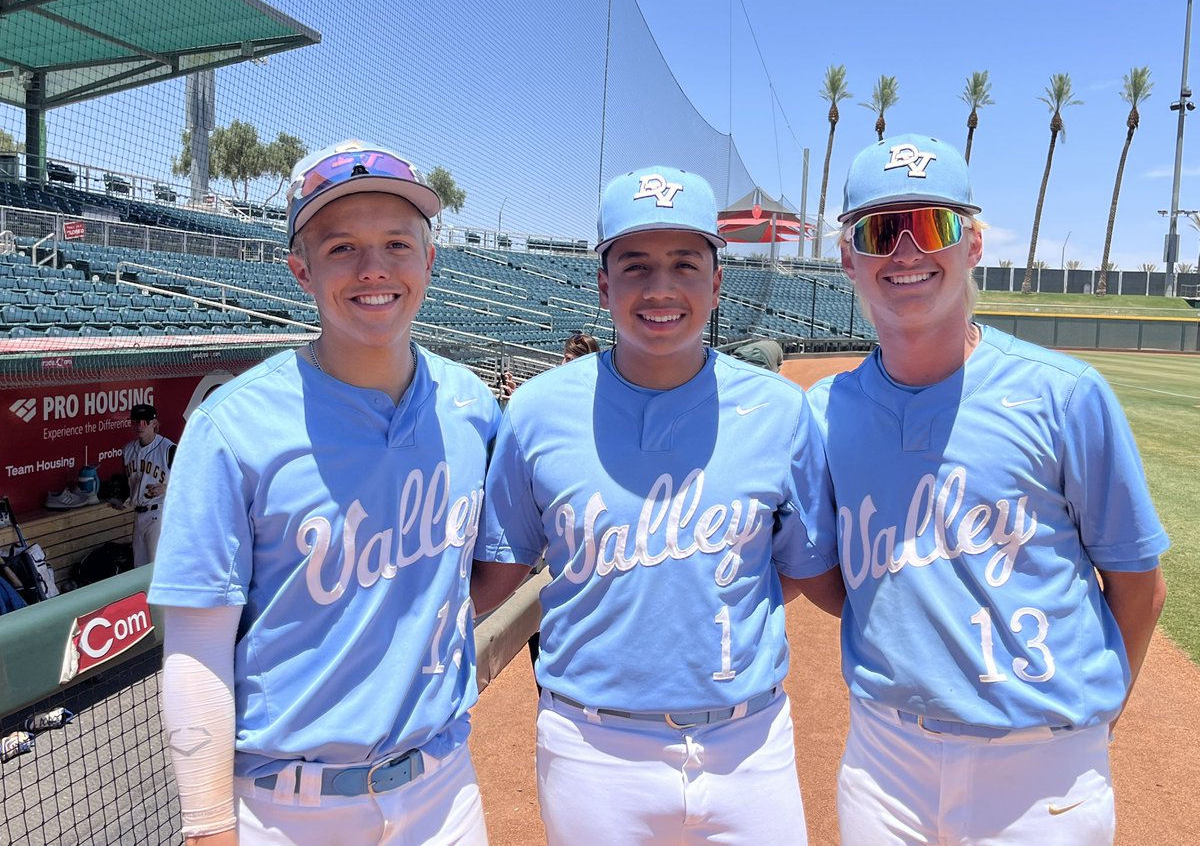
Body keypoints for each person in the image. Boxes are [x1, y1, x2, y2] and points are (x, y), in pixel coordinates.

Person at [807, 133, 1170, 845]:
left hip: (1045, 775)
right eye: (882, 230)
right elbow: (828, 574)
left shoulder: (1065, 396)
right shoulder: (824, 414)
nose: (907, 252)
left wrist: (1091, 726)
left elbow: (1138, 584)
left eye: (933, 225)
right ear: (850, 256)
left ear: (972, 245)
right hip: (886, 766)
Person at [473, 165, 842, 844]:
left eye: (684, 263)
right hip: (591, 748)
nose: (662, 288)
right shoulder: (537, 410)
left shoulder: (780, 413)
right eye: (636, 265)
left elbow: (804, 569)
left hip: (750, 746)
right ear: (604, 283)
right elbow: (493, 576)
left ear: (717, 281)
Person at [149, 140, 499, 845]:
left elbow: (487, 569)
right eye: (341, 248)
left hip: (443, 790)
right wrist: (208, 825)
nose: (374, 269)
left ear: (429, 260)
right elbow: (195, 648)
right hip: (288, 807)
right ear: (300, 271)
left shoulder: (472, 405)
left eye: (397, 243)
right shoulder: (232, 428)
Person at [124, 403, 175, 567]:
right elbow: (129, 486)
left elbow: (192, 479)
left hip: (159, 514)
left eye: (144, 422)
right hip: (138, 516)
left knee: (157, 568)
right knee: (139, 569)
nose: (139, 425)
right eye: (136, 421)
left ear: (154, 423)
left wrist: (166, 488)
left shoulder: (168, 449)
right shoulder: (127, 450)